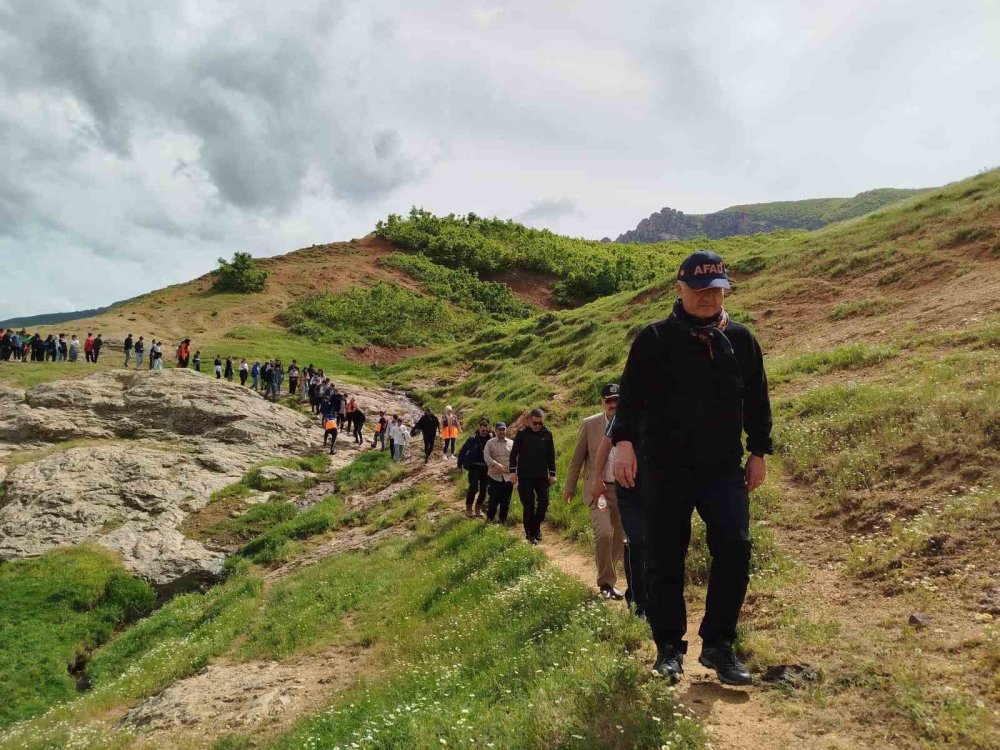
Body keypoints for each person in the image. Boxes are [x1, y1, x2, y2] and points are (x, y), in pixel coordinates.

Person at [610, 250, 772, 687]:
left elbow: (757, 399)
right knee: (664, 557)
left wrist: (758, 451)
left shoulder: (741, 339)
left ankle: (718, 645)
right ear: (679, 290)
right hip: (665, 469)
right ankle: (668, 648)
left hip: (722, 468)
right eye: (700, 290)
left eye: (717, 289)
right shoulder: (655, 339)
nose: (709, 297)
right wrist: (623, 444)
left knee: (735, 548)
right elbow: (630, 400)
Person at [565, 383, 626, 600]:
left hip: (622, 490)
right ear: (602, 402)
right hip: (597, 490)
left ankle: (609, 579)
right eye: (608, 400)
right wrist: (569, 487)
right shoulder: (590, 424)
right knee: (604, 533)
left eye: (616, 400)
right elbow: (577, 459)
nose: (612, 404)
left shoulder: (629, 423)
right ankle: (606, 584)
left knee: (618, 537)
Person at [591, 414, 647, 619]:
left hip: (660, 487)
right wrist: (597, 478)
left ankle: (656, 598)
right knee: (636, 540)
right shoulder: (629, 408)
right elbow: (605, 446)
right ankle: (638, 604)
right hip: (628, 486)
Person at [509, 408, 556, 545]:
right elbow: (514, 454)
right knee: (528, 505)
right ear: (529, 420)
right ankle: (529, 534)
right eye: (535, 423)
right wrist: (513, 472)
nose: (537, 426)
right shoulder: (522, 434)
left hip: (541, 475)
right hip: (525, 476)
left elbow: (550, 456)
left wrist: (552, 474)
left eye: (540, 423)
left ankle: (536, 528)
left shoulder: (547, 434)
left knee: (544, 502)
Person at [457, 419, 493, 517]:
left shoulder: (490, 439)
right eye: (483, 431)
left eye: (486, 431)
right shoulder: (472, 439)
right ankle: (469, 508)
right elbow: (462, 452)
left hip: (486, 468)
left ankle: (478, 508)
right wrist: (459, 466)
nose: (485, 433)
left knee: (483, 489)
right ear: (479, 429)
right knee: (473, 487)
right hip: (474, 467)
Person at [483, 422, 515, 524]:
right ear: (496, 430)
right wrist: (495, 464)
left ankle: (502, 522)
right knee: (493, 500)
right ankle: (489, 520)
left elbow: (516, 458)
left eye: (503, 429)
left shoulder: (511, 443)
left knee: (506, 501)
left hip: (508, 476)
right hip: (494, 476)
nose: (502, 431)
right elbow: (486, 456)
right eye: (499, 429)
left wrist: (516, 473)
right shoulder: (490, 443)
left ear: (506, 430)